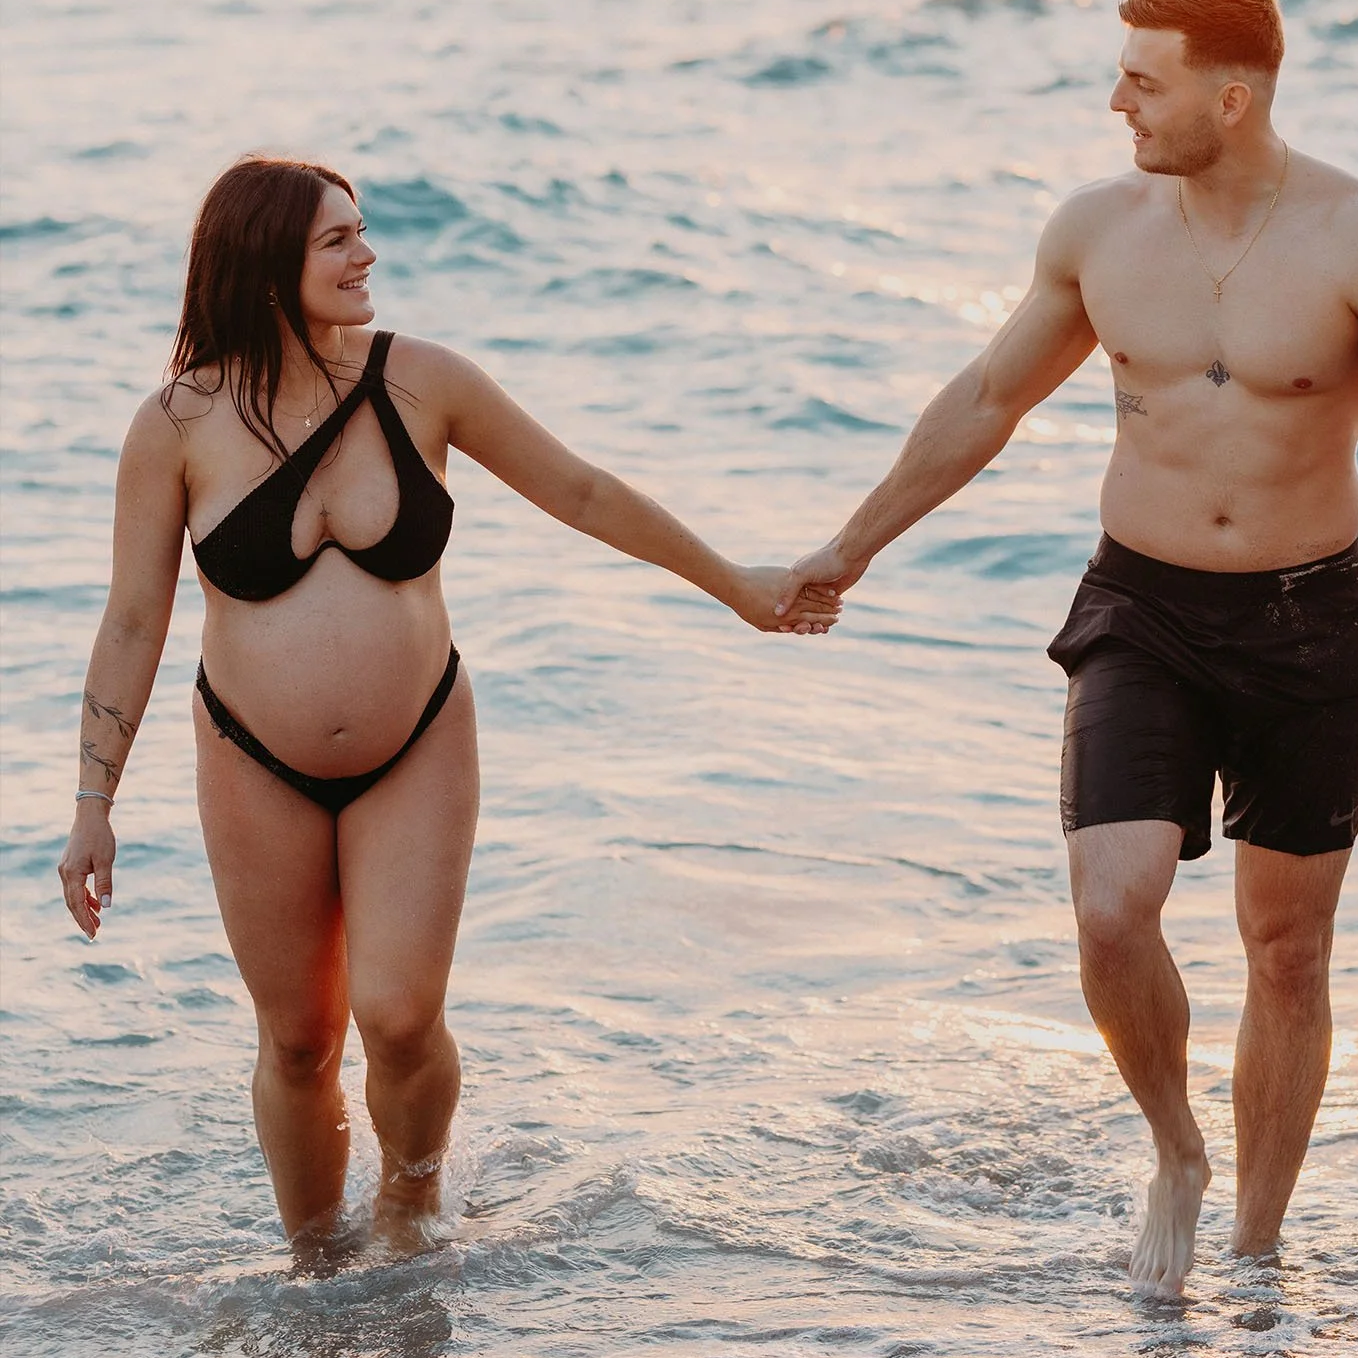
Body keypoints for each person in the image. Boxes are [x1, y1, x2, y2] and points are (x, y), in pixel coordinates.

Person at [778, 0, 1358, 1295]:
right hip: (1140, 609)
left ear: (1235, 94)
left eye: (1143, 81)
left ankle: (1260, 1257)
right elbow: (986, 400)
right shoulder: (1100, 232)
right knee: (1112, 912)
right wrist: (851, 546)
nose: (1116, 103)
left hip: (1307, 620)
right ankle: (1177, 1151)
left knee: (1288, 948)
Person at [58, 155, 841, 1259]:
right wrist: (93, 803)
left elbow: (582, 491)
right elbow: (133, 621)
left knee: (398, 1015)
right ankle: (314, 1266)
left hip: (415, 742)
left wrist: (739, 588)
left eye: (360, 231)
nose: (366, 254)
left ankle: (411, 1209)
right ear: (265, 258)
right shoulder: (177, 425)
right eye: (338, 239)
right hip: (249, 755)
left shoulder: (423, 382)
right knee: (295, 1040)